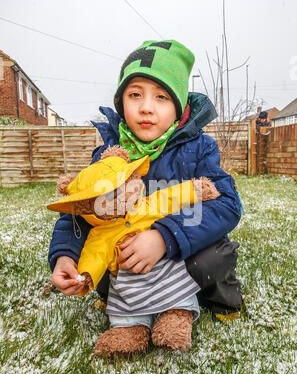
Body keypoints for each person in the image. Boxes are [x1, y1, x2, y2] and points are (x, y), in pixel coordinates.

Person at [48, 40, 243, 322]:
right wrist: (65, 256)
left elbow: (227, 205)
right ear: (121, 101)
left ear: (179, 108)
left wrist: (165, 237)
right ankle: (117, 298)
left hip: (181, 248)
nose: (146, 108)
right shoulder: (109, 154)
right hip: (127, 250)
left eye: (162, 97)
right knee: (100, 255)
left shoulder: (199, 148)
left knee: (211, 260)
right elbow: (80, 210)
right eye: (135, 94)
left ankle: (219, 302)